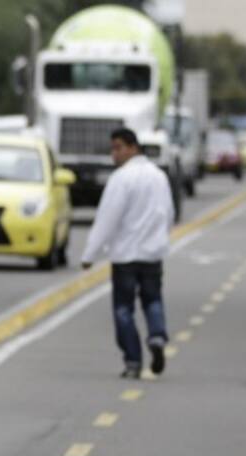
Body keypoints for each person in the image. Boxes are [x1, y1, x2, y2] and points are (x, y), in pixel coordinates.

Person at [82, 128, 174, 380]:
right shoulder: (159, 177)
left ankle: (133, 361)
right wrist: (160, 238)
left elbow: (107, 218)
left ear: (133, 148)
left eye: (118, 148)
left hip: (125, 255)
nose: (114, 154)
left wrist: (90, 254)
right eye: (112, 149)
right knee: (152, 300)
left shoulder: (121, 179)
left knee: (124, 309)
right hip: (152, 253)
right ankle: (156, 335)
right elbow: (167, 212)